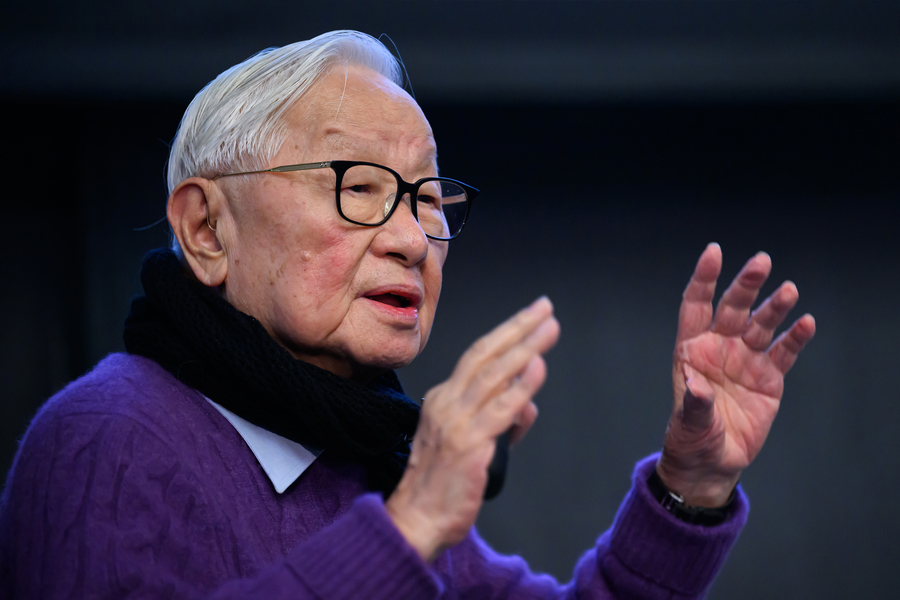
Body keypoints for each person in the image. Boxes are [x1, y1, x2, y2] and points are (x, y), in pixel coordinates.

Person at [0, 30, 815, 599]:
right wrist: (410, 524)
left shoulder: (361, 465)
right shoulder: (105, 441)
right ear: (207, 230)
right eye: (360, 188)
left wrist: (691, 487)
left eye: (429, 198)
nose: (410, 238)